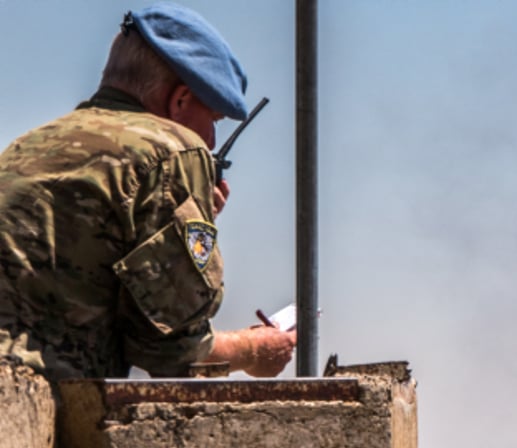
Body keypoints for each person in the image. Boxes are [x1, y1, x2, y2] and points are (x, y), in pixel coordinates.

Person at [0, 3, 295, 381]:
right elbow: (172, 351)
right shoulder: (173, 150)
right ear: (181, 100)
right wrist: (256, 350)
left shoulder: (30, 144)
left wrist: (179, 220)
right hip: (39, 404)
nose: (211, 140)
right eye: (214, 120)